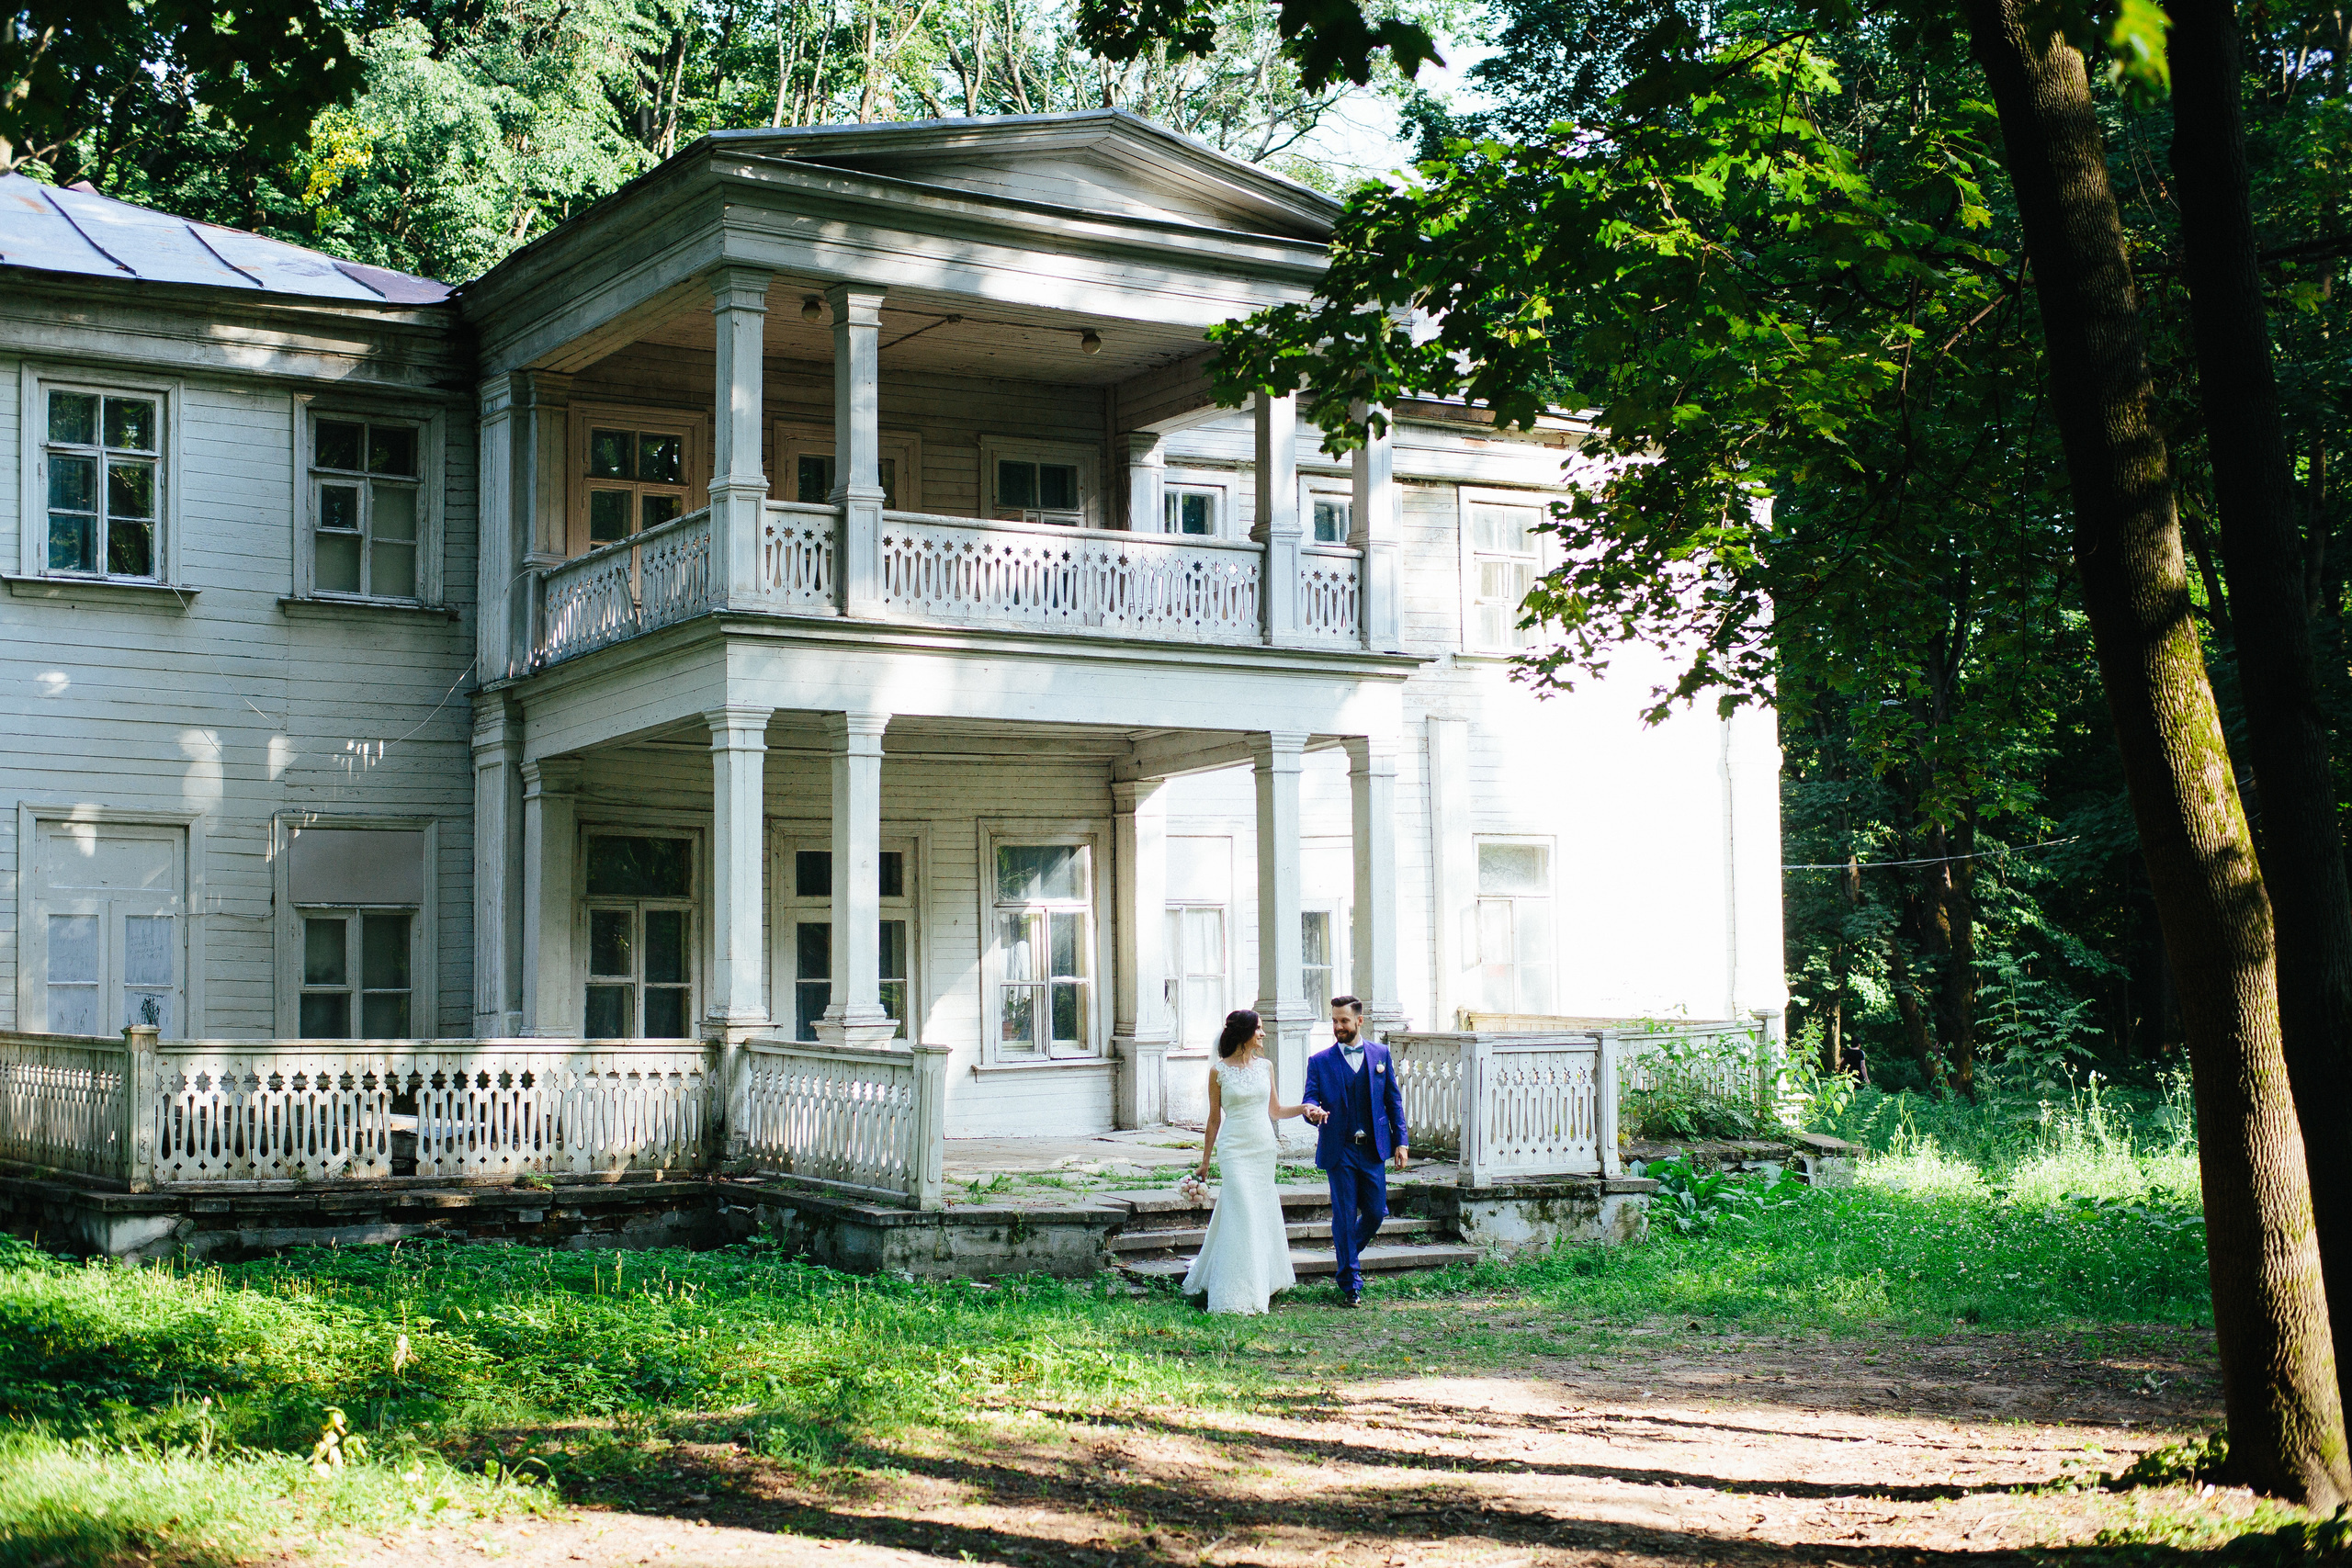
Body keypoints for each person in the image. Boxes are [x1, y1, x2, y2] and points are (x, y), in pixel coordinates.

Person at [1182, 1009, 1320, 1314]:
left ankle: (1260, 1280)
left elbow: (1275, 1111)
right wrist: (1205, 1161)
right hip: (1233, 1148)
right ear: (1244, 1033)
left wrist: (1304, 1108)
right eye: (1258, 1029)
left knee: (1257, 1211)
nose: (1263, 1034)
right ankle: (1235, 1288)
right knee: (1241, 1209)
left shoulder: (1266, 1067)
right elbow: (1214, 1119)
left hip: (1262, 1147)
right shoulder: (1218, 1071)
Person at [1299, 996, 1408, 1309]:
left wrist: (1401, 1142)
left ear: (1359, 1021)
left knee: (1376, 1212)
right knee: (1345, 1216)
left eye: (1344, 1021)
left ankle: (1345, 1257)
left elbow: (1393, 1100)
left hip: (1373, 1148)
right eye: (1334, 1020)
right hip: (1340, 1149)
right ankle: (1351, 1284)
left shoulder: (1380, 1055)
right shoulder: (1319, 1061)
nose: (1337, 1026)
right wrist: (1313, 1112)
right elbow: (1310, 1099)